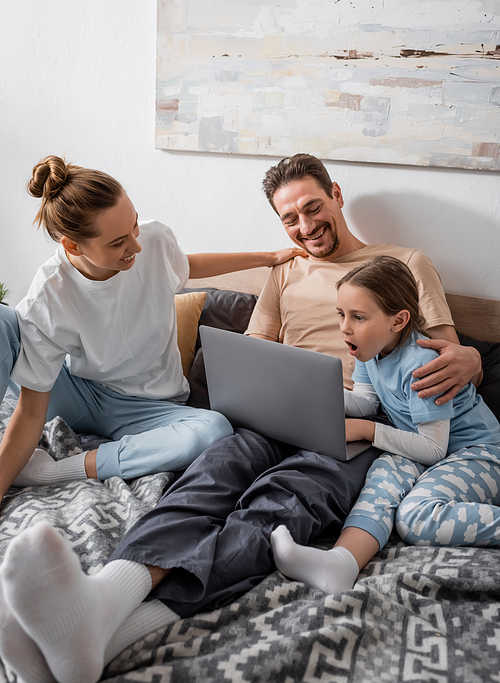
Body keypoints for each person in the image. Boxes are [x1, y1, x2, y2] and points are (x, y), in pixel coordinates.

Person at [0, 154, 483, 683]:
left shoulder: (405, 263)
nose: (305, 226)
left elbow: (448, 363)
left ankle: (106, 628)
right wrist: (255, 393)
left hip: (357, 427)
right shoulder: (287, 269)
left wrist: (474, 360)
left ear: (337, 195)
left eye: (313, 208)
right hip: (273, 413)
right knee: (203, 485)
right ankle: (107, 591)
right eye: (289, 218)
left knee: (272, 511)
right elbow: (255, 348)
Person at [0, 154, 299, 501]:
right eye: (118, 243)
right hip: (80, 395)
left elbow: (185, 265)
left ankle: (50, 472)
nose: (136, 246)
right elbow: (31, 410)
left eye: (135, 227)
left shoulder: (154, 242)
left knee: (213, 429)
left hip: (150, 406)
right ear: (72, 245)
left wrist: (266, 258)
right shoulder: (48, 294)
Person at [271, 256, 500, 594]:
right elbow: (366, 402)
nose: (345, 327)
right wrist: (318, 391)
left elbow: (435, 449)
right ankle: (341, 562)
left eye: (358, 317)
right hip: (416, 443)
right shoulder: (369, 350)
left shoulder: (421, 365)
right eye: (341, 314)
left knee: (413, 517)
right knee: (381, 480)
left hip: (477, 452)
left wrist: (366, 430)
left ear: (398, 320)